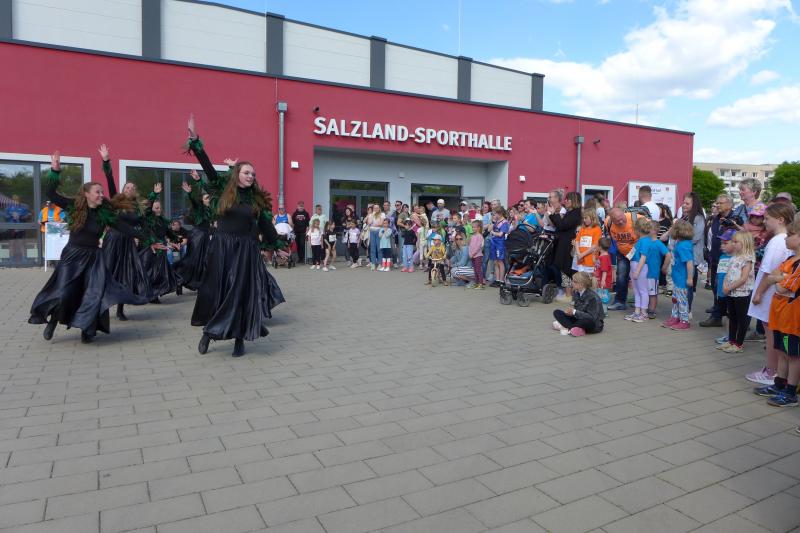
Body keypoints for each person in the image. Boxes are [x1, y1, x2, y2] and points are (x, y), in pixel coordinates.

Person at [186, 114, 284, 357]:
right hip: (222, 246)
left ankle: (240, 339)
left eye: (253, 174)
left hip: (246, 250)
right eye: (247, 172)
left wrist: (276, 244)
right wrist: (196, 142)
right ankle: (209, 333)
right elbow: (208, 167)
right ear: (237, 174)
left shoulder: (256, 200)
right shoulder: (224, 189)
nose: (251, 176)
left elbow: (265, 224)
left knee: (241, 292)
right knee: (218, 291)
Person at [29, 151, 148, 343]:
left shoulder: (104, 212)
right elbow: (51, 193)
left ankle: (87, 328)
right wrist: (55, 171)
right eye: (97, 192)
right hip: (72, 256)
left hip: (94, 257)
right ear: (87, 194)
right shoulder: (74, 206)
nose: (101, 195)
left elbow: (124, 227)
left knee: (93, 293)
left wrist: (148, 238)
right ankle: (53, 321)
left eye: (101, 192)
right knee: (64, 292)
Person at [100, 144, 154, 320]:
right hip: (113, 240)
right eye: (127, 187)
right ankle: (102, 307)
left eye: (132, 188)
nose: (129, 189)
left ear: (135, 192)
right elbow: (110, 181)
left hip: (127, 243)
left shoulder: (138, 209)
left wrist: (152, 241)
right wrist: (106, 161)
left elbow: (144, 226)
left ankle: (120, 309)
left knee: (126, 274)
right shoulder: (116, 202)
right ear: (123, 191)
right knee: (107, 272)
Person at [746, 202, 795, 385]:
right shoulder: (785, 240)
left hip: (770, 295)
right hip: (778, 294)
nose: (764, 222)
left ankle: (771, 371)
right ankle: (776, 371)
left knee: (771, 334)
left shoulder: (777, 242)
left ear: (780, 219)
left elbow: (768, 271)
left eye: (767, 218)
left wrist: (758, 293)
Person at [753, 220, 800, 407]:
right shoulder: (789, 260)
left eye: (790, 235)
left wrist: (777, 279)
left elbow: (781, 287)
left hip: (792, 320)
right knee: (781, 351)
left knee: (793, 356)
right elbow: (773, 276)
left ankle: (791, 392)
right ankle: (779, 383)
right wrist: (779, 278)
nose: (786, 238)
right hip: (780, 316)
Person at [700, 194, 743, 327]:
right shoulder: (715, 218)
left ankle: (721, 316)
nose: (717, 205)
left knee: (725, 289)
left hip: (728, 260)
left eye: (720, 203)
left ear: (729, 205)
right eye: (716, 203)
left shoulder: (735, 220)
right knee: (715, 287)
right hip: (715, 258)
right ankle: (717, 312)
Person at [718, 230, 756, 353]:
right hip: (731, 292)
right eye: (733, 241)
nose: (733, 244)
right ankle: (731, 340)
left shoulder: (747, 259)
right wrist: (725, 285)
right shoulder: (733, 257)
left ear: (745, 243)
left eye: (736, 242)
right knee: (732, 317)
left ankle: (739, 343)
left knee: (741, 319)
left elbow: (744, 278)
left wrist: (729, 287)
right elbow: (728, 273)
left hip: (741, 293)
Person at [175, 172, 213, 292]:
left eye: (209, 198)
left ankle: (199, 283)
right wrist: (190, 194)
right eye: (207, 198)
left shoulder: (210, 210)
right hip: (197, 236)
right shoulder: (199, 208)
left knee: (204, 260)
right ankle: (179, 278)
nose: (209, 200)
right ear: (201, 200)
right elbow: (194, 203)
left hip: (204, 236)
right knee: (192, 260)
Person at [548, 191, 582, 299]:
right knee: (564, 268)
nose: (565, 201)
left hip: (569, 245)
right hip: (564, 243)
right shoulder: (571, 212)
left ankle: (569, 295)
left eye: (567, 199)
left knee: (567, 269)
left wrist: (554, 214)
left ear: (573, 200)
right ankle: (568, 293)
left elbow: (562, 225)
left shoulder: (576, 213)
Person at [662, 220, 695, 330]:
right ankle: (675, 317)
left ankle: (684, 320)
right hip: (677, 277)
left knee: (681, 300)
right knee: (675, 299)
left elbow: (689, 262)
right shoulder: (680, 244)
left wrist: (689, 278)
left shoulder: (683, 246)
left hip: (682, 278)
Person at [551, 272, 604, 337]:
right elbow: (577, 311)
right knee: (557, 312)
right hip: (579, 319)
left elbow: (592, 317)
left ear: (581, 284)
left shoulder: (592, 297)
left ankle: (568, 328)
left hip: (594, 324)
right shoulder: (576, 292)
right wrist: (571, 313)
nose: (572, 283)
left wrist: (574, 312)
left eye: (574, 281)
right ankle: (575, 328)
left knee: (585, 321)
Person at [606, 207, 637, 310]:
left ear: (624, 214)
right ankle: (620, 302)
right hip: (622, 253)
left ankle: (642, 303)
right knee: (621, 276)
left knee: (639, 277)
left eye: (621, 218)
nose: (620, 222)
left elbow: (651, 232)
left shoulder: (636, 218)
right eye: (616, 220)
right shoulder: (608, 223)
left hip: (638, 253)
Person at [628, 217, 654, 323]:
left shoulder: (645, 241)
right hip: (635, 266)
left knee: (643, 290)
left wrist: (637, 271)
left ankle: (644, 313)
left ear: (638, 229)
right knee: (637, 290)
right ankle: (637, 311)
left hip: (640, 267)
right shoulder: (641, 240)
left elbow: (643, 257)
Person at [644, 221, 669, 319]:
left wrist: (664, 267)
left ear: (654, 231)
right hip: (644, 272)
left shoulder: (658, 243)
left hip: (653, 273)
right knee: (646, 291)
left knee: (653, 293)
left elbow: (668, 255)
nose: (646, 230)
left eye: (648, 228)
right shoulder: (645, 241)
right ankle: (645, 307)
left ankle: (652, 310)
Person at [574, 207, 601, 274]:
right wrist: (578, 254)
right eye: (583, 218)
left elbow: (594, 246)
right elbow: (577, 241)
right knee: (581, 278)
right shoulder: (582, 229)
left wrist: (582, 255)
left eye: (586, 218)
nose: (584, 220)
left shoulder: (597, 229)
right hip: (580, 261)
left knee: (589, 279)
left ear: (592, 217)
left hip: (590, 261)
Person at [488, 207, 510, 287]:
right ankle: (497, 280)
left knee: (500, 261)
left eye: (495, 214)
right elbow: (489, 229)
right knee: (495, 262)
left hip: (500, 244)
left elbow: (500, 234)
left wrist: (493, 232)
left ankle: (501, 281)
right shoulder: (497, 221)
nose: (494, 215)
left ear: (500, 213)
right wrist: (492, 222)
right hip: (494, 243)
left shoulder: (505, 222)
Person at [594, 237, 612, 316]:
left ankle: (603, 311)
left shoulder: (604, 257)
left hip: (603, 280)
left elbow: (604, 270)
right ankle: (601, 310)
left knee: (603, 296)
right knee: (600, 295)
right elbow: (596, 263)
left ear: (600, 247)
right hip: (600, 279)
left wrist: (603, 281)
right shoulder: (602, 256)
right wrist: (594, 254)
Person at [365, 204, 385, 270]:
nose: (375, 209)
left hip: (379, 232)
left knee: (379, 248)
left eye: (377, 208)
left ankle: (380, 263)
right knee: (372, 248)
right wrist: (372, 215)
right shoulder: (371, 215)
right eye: (374, 208)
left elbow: (381, 224)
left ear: (379, 208)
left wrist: (374, 224)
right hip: (372, 232)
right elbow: (369, 223)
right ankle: (373, 263)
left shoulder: (382, 214)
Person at [468, 219, 485, 289]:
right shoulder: (472, 236)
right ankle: (476, 283)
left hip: (478, 256)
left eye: (474, 227)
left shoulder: (480, 236)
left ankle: (480, 284)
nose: (473, 228)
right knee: (475, 270)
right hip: (472, 256)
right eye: (472, 227)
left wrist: (473, 254)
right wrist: (470, 253)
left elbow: (478, 247)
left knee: (478, 270)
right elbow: (470, 246)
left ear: (479, 228)